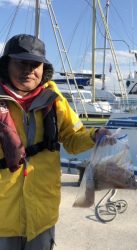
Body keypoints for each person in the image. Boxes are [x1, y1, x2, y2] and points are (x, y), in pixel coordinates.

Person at [0, 34, 115, 250]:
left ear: (43, 68)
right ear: (7, 65)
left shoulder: (54, 99)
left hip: (42, 212)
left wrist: (94, 135)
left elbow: (72, 138)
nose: (29, 70)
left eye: (35, 64)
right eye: (21, 63)